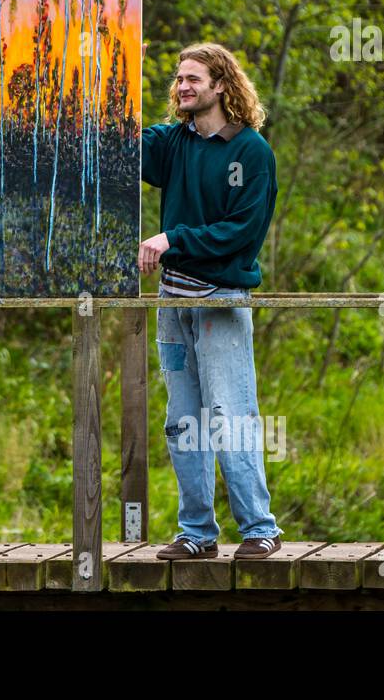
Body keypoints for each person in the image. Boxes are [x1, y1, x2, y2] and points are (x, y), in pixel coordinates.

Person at [138, 42, 284, 561]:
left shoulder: (251, 152)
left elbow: (241, 234)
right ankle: (197, 534)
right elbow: (117, 143)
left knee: (229, 416)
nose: (182, 86)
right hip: (171, 305)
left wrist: (174, 239)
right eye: (178, 78)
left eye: (193, 78)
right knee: (183, 421)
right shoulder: (172, 143)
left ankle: (259, 529)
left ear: (221, 85)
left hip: (221, 301)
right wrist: (111, 68)